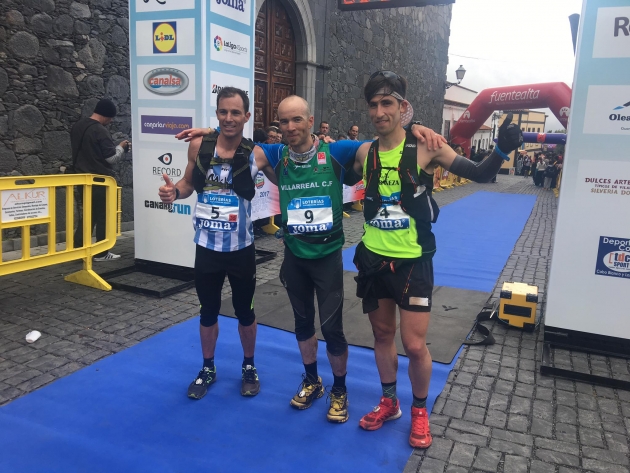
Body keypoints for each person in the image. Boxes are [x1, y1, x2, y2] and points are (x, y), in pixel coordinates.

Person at [175, 95, 444, 423]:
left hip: (328, 257)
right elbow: (238, 140)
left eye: (297, 120)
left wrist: (415, 127)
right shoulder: (275, 153)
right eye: (284, 121)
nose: (290, 127)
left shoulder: (336, 150)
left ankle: (340, 389)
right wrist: (212, 130)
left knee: (333, 329)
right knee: (302, 325)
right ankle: (312, 381)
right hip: (294, 257)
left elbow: (382, 141)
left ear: (311, 121)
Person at [352, 71, 523, 448]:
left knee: (414, 345)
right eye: (374, 105)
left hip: (414, 264)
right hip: (373, 260)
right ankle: (389, 403)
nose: (380, 111)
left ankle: (419, 411)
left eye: (387, 103)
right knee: (381, 335)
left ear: (402, 107)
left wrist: (500, 150)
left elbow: (478, 175)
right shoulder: (364, 152)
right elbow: (318, 157)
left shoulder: (425, 148)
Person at [159, 87, 272, 401]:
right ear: (217, 113)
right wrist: (174, 194)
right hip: (207, 247)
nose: (229, 118)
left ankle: (249, 366)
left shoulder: (256, 153)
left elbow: (284, 174)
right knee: (207, 311)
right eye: (223, 112)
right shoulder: (199, 145)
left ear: (247, 117)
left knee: (245, 312)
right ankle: (208, 367)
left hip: (241, 249)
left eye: (236, 113)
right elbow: (186, 183)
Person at [71, 98, 129, 261]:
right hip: (99, 179)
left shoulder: (78, 126)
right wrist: (121, 147)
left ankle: (78, 250)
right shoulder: (100, 131)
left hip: (81, 178)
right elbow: (111, 158)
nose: (110, 122)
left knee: (88, 215)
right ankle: (101, 252)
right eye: (110, 118)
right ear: (106, 115)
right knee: (103, 215)